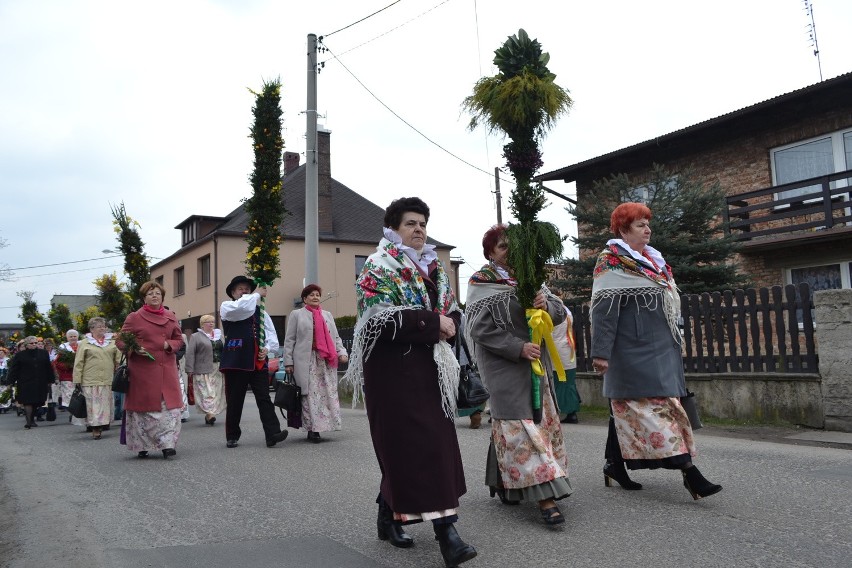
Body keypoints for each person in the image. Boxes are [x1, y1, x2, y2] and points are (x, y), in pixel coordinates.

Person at [345, 197, 476, 567]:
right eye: (410, 224)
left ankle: (389, 514)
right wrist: (434, 324)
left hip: (434, 370)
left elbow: (449, 308)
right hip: (394, 374)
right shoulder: (377, 266)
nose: (418, 230)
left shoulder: (435, 267)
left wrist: (449, 319)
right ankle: (448, 536)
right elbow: (377, 321)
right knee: (409, 449)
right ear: (393, 229)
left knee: (431, 449)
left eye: (422, 224)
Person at [591, 202, 722, 499]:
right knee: (657, 412)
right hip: (631, 352)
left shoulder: (653, 260)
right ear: (624, 231)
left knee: (627, 410)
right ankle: (690, 472)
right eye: (640, 224)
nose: (647, 229)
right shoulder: (610, 262)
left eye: (648, 223)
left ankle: (614, 464)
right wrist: (601, 352)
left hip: (662, 350)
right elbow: (603, 312)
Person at [465, 223, 573, 525]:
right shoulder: (482, 281)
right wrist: (517, 347)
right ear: (490, 253)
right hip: (504, 364)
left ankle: (502, 481)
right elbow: (479, 328)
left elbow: (559, 314)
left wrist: (546, 304)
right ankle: (546, 498)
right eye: (502, 246)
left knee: (524, 426)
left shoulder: (531, 278)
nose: (509, 251)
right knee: (520, 427)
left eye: (513, 245)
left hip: (537, 364)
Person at [219, 275, 288, 449]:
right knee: (235, 399)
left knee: (264, 398)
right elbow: (243, 308)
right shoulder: (228, 307)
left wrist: (268, 348)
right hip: (236, 360)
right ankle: (232, 435)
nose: (245, 291)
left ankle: (272, 433)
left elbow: (271, 334)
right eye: (240, 288)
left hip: (258, 362)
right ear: (233, 293)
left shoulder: (261, 312)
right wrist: (256, 295)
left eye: (247, 288)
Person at [119, 281, 184, 459]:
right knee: (144, 410)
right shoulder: (134, 317)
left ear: (162, 296)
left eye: (157, 293)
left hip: (167, 370)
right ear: (144, 298)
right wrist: (134, 348)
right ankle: (142, 445)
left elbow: (179, 340)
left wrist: (168, 344)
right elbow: (121, 341)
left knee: (170, 409)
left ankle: (167, 444)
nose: (154, 295)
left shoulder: (171, 316)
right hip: (142, 372)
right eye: (150, 293)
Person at [282, 284, 348, 443]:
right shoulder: (296, 314)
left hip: (325, 361)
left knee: (325, 394)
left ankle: (325, 425)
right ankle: (312, 429)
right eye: (311, 295)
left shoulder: (327, 315)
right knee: (309, 395)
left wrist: (342, 352)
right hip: (306, 361)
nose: (315, 297)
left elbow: (336, 337)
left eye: (317, 294)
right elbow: (289, 340)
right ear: (304, 298)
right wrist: (288, 362)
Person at [72, 317, 121, 440]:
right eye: (99, 327)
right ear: (92, 329)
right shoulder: (84, 343)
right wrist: (77, 380)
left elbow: (118, 359)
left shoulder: (112, 342)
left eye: (104, 326)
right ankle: (95, 428)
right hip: (90, 379)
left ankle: (103, 423)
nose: (102, 329)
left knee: (105, 403)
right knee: (93, 405)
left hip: (107, 378)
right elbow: (78, 362)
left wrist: (120, 369)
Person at [185, 314, 226, 425]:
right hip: (203, 369)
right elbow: (190, 353)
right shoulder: (196, 336)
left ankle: (210, 414)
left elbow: (225, 350)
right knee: (207, 393)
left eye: (213, 321)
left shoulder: (219, 335)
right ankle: (210, 414)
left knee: (216, 393)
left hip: (218, 368)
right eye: (208, 322)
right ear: (202, 325)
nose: (211, 324)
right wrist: (189, 369)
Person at [7, 336, 54, 429]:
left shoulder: (43, 353)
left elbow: (48, 367)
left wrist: (50, 380)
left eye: (35, 343)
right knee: (28, 402)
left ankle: (32, 419)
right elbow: (14, 370)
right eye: (32, 343)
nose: (34, 345)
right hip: (25, 382)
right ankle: (28, 421)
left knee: (37, 402)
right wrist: (10, 382)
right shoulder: (20, 355)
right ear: (26, 345)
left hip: (40, 381)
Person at [551, 292, 581, 424]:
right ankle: (572, 409)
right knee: (568, 382)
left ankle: (568, 411)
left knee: (560, 382)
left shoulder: (555, 313)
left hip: (557, 350)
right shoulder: (567, 311)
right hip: (568, 349)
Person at [55, 329, 80, 410]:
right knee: (69, 396)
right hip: (68, 376)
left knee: (81, 396)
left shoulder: (83, 346)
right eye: (71, 336)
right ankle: (72, 413)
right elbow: (58, 363)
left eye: (75, 336)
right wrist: (69, 365)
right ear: (67, 338)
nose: (73, 338)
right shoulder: (63, 348)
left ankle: (78, 413)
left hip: (81, 376)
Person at [1, 347, 13, 414]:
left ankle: (5, 407)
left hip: (5, 378)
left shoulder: (7, 360)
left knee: (5, 391)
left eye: (2, 353)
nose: (0, 354)